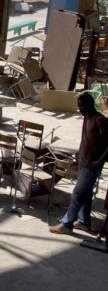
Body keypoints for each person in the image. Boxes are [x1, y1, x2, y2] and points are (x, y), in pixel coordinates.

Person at [50, 92, 108, 235]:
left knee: (77, 193)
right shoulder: (86, 118)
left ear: (89, 105)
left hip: (91, 165)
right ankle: (83, 222)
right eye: (78, 106)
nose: (79, 109)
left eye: (81, 106)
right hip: (83, 161)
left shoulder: (99, 120)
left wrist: (99, 161)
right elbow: (86, 139)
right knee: (85, 194)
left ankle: (66, 224)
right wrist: (78, 155)